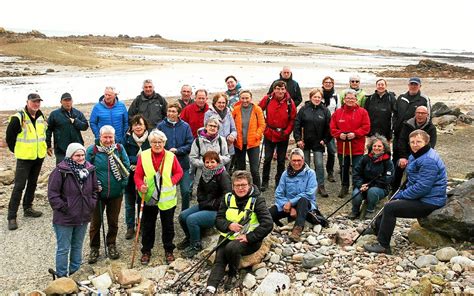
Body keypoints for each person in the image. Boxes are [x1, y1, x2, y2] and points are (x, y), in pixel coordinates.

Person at [364, 130, 447, 254]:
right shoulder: (417, 155)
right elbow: (414, 180)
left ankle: (383, 245)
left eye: (418, 141)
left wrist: (402, 195)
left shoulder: (428, 160)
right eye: (412, 142)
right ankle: (376, 228)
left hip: (430, 201)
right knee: (391, 202)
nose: (415, 144)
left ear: (426, 142)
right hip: (424, 196)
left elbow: (422, 187)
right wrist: (401, 193)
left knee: (391, 208)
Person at [204, 171, 273, 294]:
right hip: (228, 235)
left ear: (250, 185)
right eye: (237, 185)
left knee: (231, 249)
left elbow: (267, 224)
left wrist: (249, 237)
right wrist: (229, 225)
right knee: (219, 259)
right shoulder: (227, 198)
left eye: (243, 185)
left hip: (250, 240)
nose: (240, 188)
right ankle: (210, 288)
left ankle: (233, 273)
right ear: (232, 186)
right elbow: (218, 220)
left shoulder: (257, 200)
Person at [47, 143, 98, 277]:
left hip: (83, 215)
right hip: (65, 217)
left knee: (77, 246)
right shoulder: (60, 171)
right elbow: (53, 194)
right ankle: (62, 276)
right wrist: (65, 208)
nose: (81, 158)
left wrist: (91, 204)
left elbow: (94, 190)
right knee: (63, 248)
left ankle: (75, 274)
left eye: (82, 155)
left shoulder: (90, 170)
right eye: (77, 155)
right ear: (70, 156)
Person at [134, 129, 183, 265]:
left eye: (160, 142)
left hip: (167, 199)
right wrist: (140, 185)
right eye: (154, 142)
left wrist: (172, 181)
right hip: (148, 196)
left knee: (168, 225)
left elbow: (179, 172)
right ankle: (146, 251)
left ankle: (169, 250)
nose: (157, 144)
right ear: (150, 143)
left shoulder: (170, 156)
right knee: (148, 225)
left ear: (164, 143)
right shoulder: (143, 156)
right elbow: (137, 175)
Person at [86, 125, 130, 264]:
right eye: (105, 137)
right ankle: (94, 248)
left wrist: (122, 185)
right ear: (100, 136)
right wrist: (94, 186)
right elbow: (86, 171)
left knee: (113, 222)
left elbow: (126, 167)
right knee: (95, 223)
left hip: (116, 194)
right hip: (97, 194)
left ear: (114, 137)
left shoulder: (119, 149)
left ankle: (111, 244)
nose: (108, 140)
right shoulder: (92, 151)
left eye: (110, 137)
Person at [177, 151, 231, 258]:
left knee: (192, 219)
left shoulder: (223, 175)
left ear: (218, 162)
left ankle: (196, 245)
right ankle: (190, 238)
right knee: (183, 216)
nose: (210, 165)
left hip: (218, 210)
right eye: (207, 162)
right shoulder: (205, 172)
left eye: (212, 162)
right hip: (205, 204)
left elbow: (227, 195)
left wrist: (211, 204)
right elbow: (199, 189)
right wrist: (201, 200)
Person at [6, 93, 47, 230]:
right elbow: (9, 138)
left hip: (38, 156)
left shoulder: (41, 116)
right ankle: (12, 216)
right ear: (27, 102)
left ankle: (28, 208)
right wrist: (17, 150)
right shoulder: (19, 118)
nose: (36, 104)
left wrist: (46, 147)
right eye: (34, 101)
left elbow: (44, 134)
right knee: (19, 186)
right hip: (24, 158)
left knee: (33, 183)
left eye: (38, 102)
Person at [269, 148, 317, 242]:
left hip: (305, 205)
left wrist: (291, 202)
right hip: (286, 206)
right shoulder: (285, 174)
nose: (296, 163)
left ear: (303, 160)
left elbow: (309, 193)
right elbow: (278, 194)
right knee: (268, 213)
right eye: (294, 160)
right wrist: (290, 207)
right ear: (290, 161)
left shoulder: (310, 173)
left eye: (299, 160)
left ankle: (297, 231)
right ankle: (279, 227)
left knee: (303, 200)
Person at [392, 77, 431, 191]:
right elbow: (394, 113)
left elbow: (429, 117)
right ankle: (394, 186)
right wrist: (394, 126)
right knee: (398, 160)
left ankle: (410, 187)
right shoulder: (401, 97)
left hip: (416, 138)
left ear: (419, 86)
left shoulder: (424, 99)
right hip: (399, 135)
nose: (413, 86)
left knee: (414, 162)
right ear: (408, 85)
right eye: (411, 84)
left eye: (416, 84)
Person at [330, 89, 371, 198]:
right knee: (344, 166)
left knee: (357, 168)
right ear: (344, 99)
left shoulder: (363, 112)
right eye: (348, 98)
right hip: (342, 146)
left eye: (352, 98)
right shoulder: (338, 113)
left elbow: (366, 128)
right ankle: (344, 186)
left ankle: (356, 187)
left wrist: (355, 134)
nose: (350, 100)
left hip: (357, 146)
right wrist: (339, 134)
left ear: (356, 99)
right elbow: (332, 128)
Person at [259, 80, 297, 192]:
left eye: (282, 89)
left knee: (281, 160)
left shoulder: (290, 102)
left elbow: (293, 118)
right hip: (269, 133)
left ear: (285, 90)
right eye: (277, 88)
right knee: (267, 158)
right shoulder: (268, 99)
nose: (280, 91)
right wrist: (264, 127)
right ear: (274, 89)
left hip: (283, 135)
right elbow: (258, 111)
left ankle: (279, 182)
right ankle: (264, 181)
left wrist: (287, 132)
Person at [294, 89, 332, 197]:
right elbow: (297, 124)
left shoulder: (325, 110)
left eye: (319, 97)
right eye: (315, 97)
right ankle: (305, 185)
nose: (317, 99)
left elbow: (329, 128)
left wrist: (325, 140)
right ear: (311, 97)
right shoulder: (304, 109)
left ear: (321, 98)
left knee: (319, 164)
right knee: (305, 164)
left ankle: (320, 185)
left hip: (318, 142)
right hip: (305, 142)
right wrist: (298, 140)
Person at [157, 103, 194, 210]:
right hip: (166, 165)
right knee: (166, 190)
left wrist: (178, 150)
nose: (170, 113)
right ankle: (167, 211)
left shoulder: (185, 126)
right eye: (169, 111)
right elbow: (156, 142)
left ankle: (185, 213)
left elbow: (190, 144)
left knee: (186, 191)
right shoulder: (160, 126)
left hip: (183, 164)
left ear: (179, 113)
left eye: (173, 111)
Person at [349, 135, 394, 220]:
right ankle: (354, 211)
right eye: (375, 146)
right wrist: (360, 184)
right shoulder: (365, 159)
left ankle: (370, 211)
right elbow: (356, 173)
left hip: (380, 187)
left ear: (384, 148)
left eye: (379, 146)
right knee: (356, 194)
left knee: (372, 192)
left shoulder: (388, 162)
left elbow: (388, 179)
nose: (377, 148)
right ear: (371, 147)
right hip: (363, 186)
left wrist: (369, 185)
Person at [122, 114, 151, 239]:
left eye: (140, 124)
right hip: (129, 175)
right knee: (129, 202)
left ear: (145, 126)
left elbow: (152, 156)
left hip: (145, 176)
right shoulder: (126, 139)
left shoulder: (151, 139)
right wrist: (139, 159)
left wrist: (137, 161)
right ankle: (130, 227)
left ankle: (141, 225)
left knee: (142, 201)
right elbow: (123, 157)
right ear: (132, 127)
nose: (138, 127)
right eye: (135, 124)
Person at [232, 90, 266, 188]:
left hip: (253, 143)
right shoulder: (236, 109)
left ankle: (257, 189)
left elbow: (262, 125)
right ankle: (241, 187)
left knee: (254, 170)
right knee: (241, 169)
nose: (245, 100)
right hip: (239, 143)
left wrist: (257, 135)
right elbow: (231, 124)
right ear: (240, 99)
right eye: (242, 98)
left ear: (251, 98)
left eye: (247, 98)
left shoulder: (257, 109)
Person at [46, 92, 89, 164]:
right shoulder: (54, 114)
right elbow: (48, 131)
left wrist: (76, 121)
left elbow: (85, 127)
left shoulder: (77, 113)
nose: (67, 103)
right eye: (65, 101)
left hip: (77, 147)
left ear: (72, 101)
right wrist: (48, 146)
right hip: (61, 149)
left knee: (78, 170)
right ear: (61, 102)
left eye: (69, 100)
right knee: (62, 171)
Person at [189, 116, 231, 183]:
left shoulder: (222, 140)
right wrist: (205, 164)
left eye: (215, 126)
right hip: (201, 173)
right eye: (210, 125)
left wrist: (216, 161)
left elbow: (227, 157)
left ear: (218, 129)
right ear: (206, 127)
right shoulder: (197, 141)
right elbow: (192, 158)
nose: (212, 128)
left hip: (219, 172)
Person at [204, 93, 237, 169]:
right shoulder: (208, 114)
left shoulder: (229, 113)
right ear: (215, 103)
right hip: (215, 148)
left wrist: (232, 136)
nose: (221, 104)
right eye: (219, 102)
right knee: (216, 171)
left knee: (227, 171)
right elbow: (206, 131)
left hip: (228, 146)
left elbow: (234, 130)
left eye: (223, 103)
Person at [321, 76, 340, 182]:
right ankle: (317, 171)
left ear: (333, 84)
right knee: (318, 150)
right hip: (318, 126)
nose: (328, 84)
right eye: (326, 82)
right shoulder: (319, 94)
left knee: (332, 151)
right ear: (323, 83)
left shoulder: (335, 96)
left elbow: (338, 111)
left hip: (331, 126)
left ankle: (330, 172)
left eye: (330, 82)